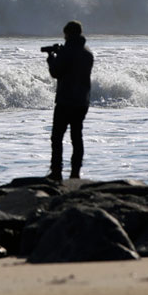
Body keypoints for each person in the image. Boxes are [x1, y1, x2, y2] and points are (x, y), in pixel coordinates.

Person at [45, 20, 94, 181]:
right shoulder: (87, 52)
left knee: (57, 138)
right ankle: (75, 173)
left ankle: (56, 172)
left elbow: (56, 73)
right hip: (82, 101)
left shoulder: (67, 52)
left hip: (66, 101)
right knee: (76, 137)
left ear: (68, 34)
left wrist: (51, 59)